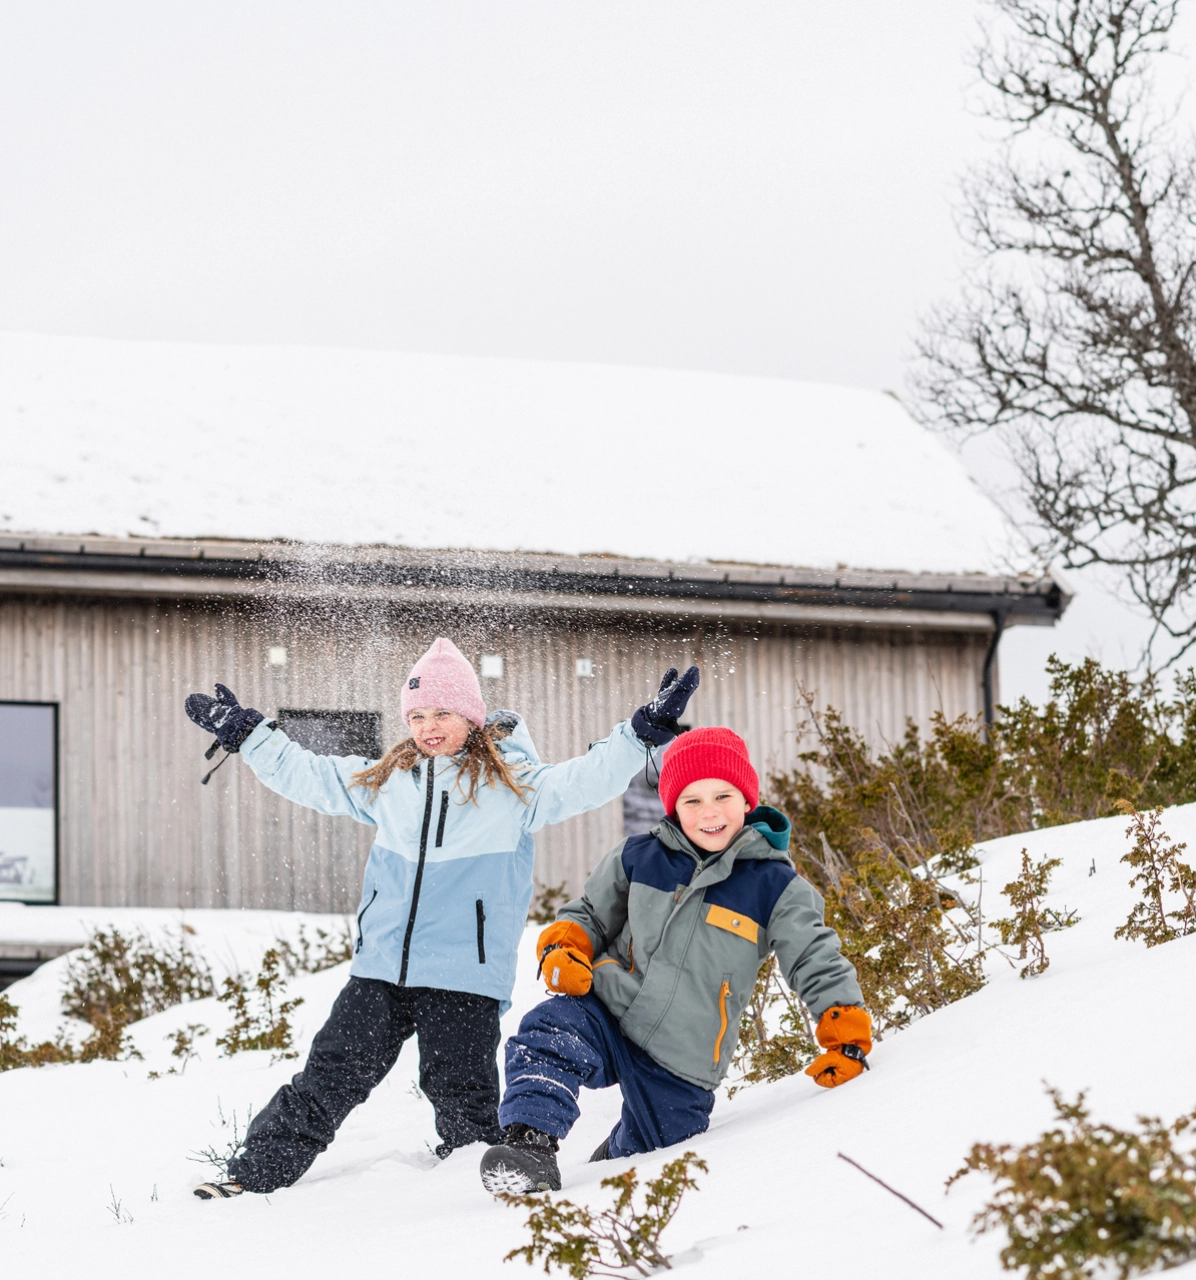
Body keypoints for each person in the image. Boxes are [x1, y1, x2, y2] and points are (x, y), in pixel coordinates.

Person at [183, 638, 699, 1199]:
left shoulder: (513, 789)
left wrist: (639, 733)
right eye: (418, 715)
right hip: (381, 969)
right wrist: (252, 736)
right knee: (328, 1077)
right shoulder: (388, 783)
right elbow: (312, 775)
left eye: (443, 713)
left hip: (462, 974)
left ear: (471, 717)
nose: (429, 726)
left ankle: (480, 1200)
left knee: (462, 1096)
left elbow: (585, 778)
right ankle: (251, 1176)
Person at [479, 725, 871, 1195]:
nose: (709, 813)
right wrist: (564, 947)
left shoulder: (775, 887)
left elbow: (814, 955)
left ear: (747, 800)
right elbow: (588, 915)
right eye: (692, 800)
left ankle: (611, 1157)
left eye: (722, 796)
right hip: (609, 1008)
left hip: (683, 1056)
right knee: (550, 1029)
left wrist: (841, 1024)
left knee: (653, 1157)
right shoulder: (639, 857)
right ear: (672, 806)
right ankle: (529, 1145)